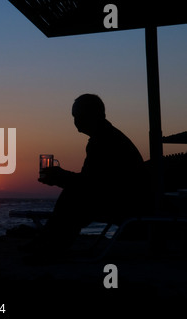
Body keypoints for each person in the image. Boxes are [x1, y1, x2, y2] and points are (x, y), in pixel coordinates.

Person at [36, 94, 150, 255]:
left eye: (78, 116)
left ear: (93, 115)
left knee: (72, 196)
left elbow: (91, 184)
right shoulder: (105, 137)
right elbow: (92, 181)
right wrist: (61, 178)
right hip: (123, 197)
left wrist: (60, 177)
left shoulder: (104, 140)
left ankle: (52, 245)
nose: (76, 121)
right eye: (74, 117)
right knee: (72, 193)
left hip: (126, 202)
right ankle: (49, 242)